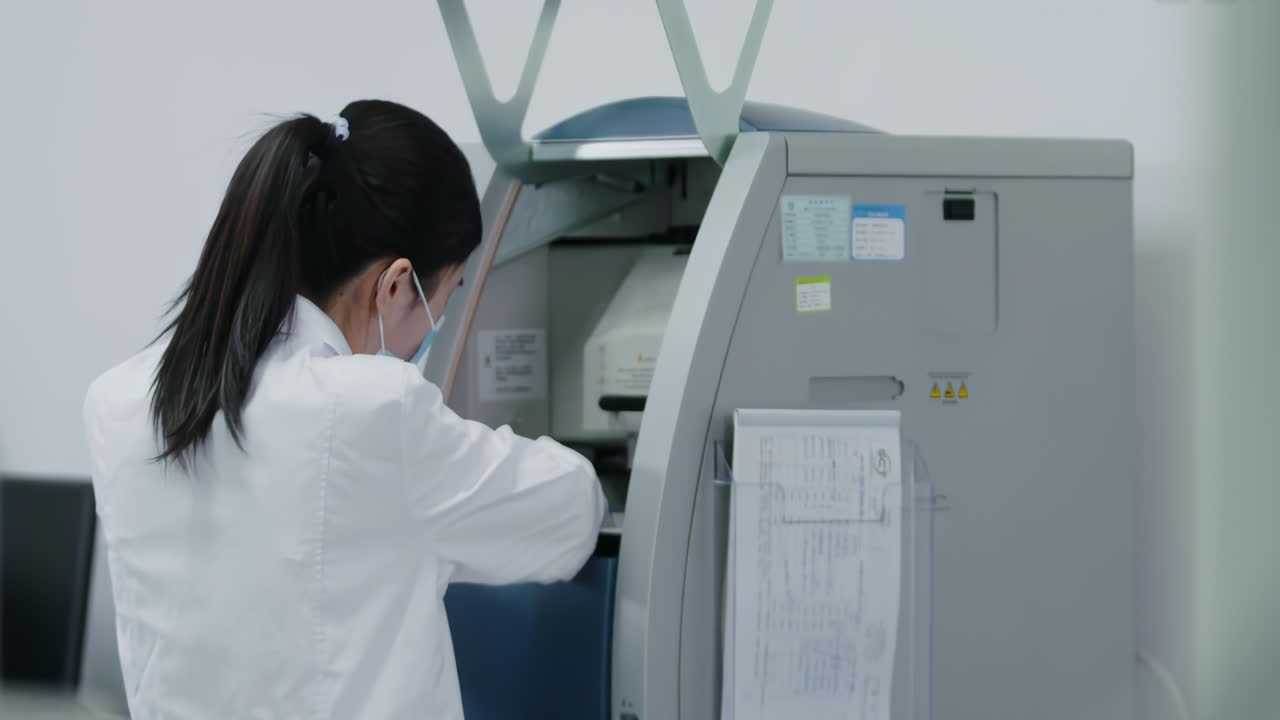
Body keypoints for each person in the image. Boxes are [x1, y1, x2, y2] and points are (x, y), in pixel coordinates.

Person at [82, 100, 606, 720]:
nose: (437, 326)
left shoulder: (119, 404)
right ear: (393, 284)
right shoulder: (376, 411)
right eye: (446, 296)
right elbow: (570, 515)